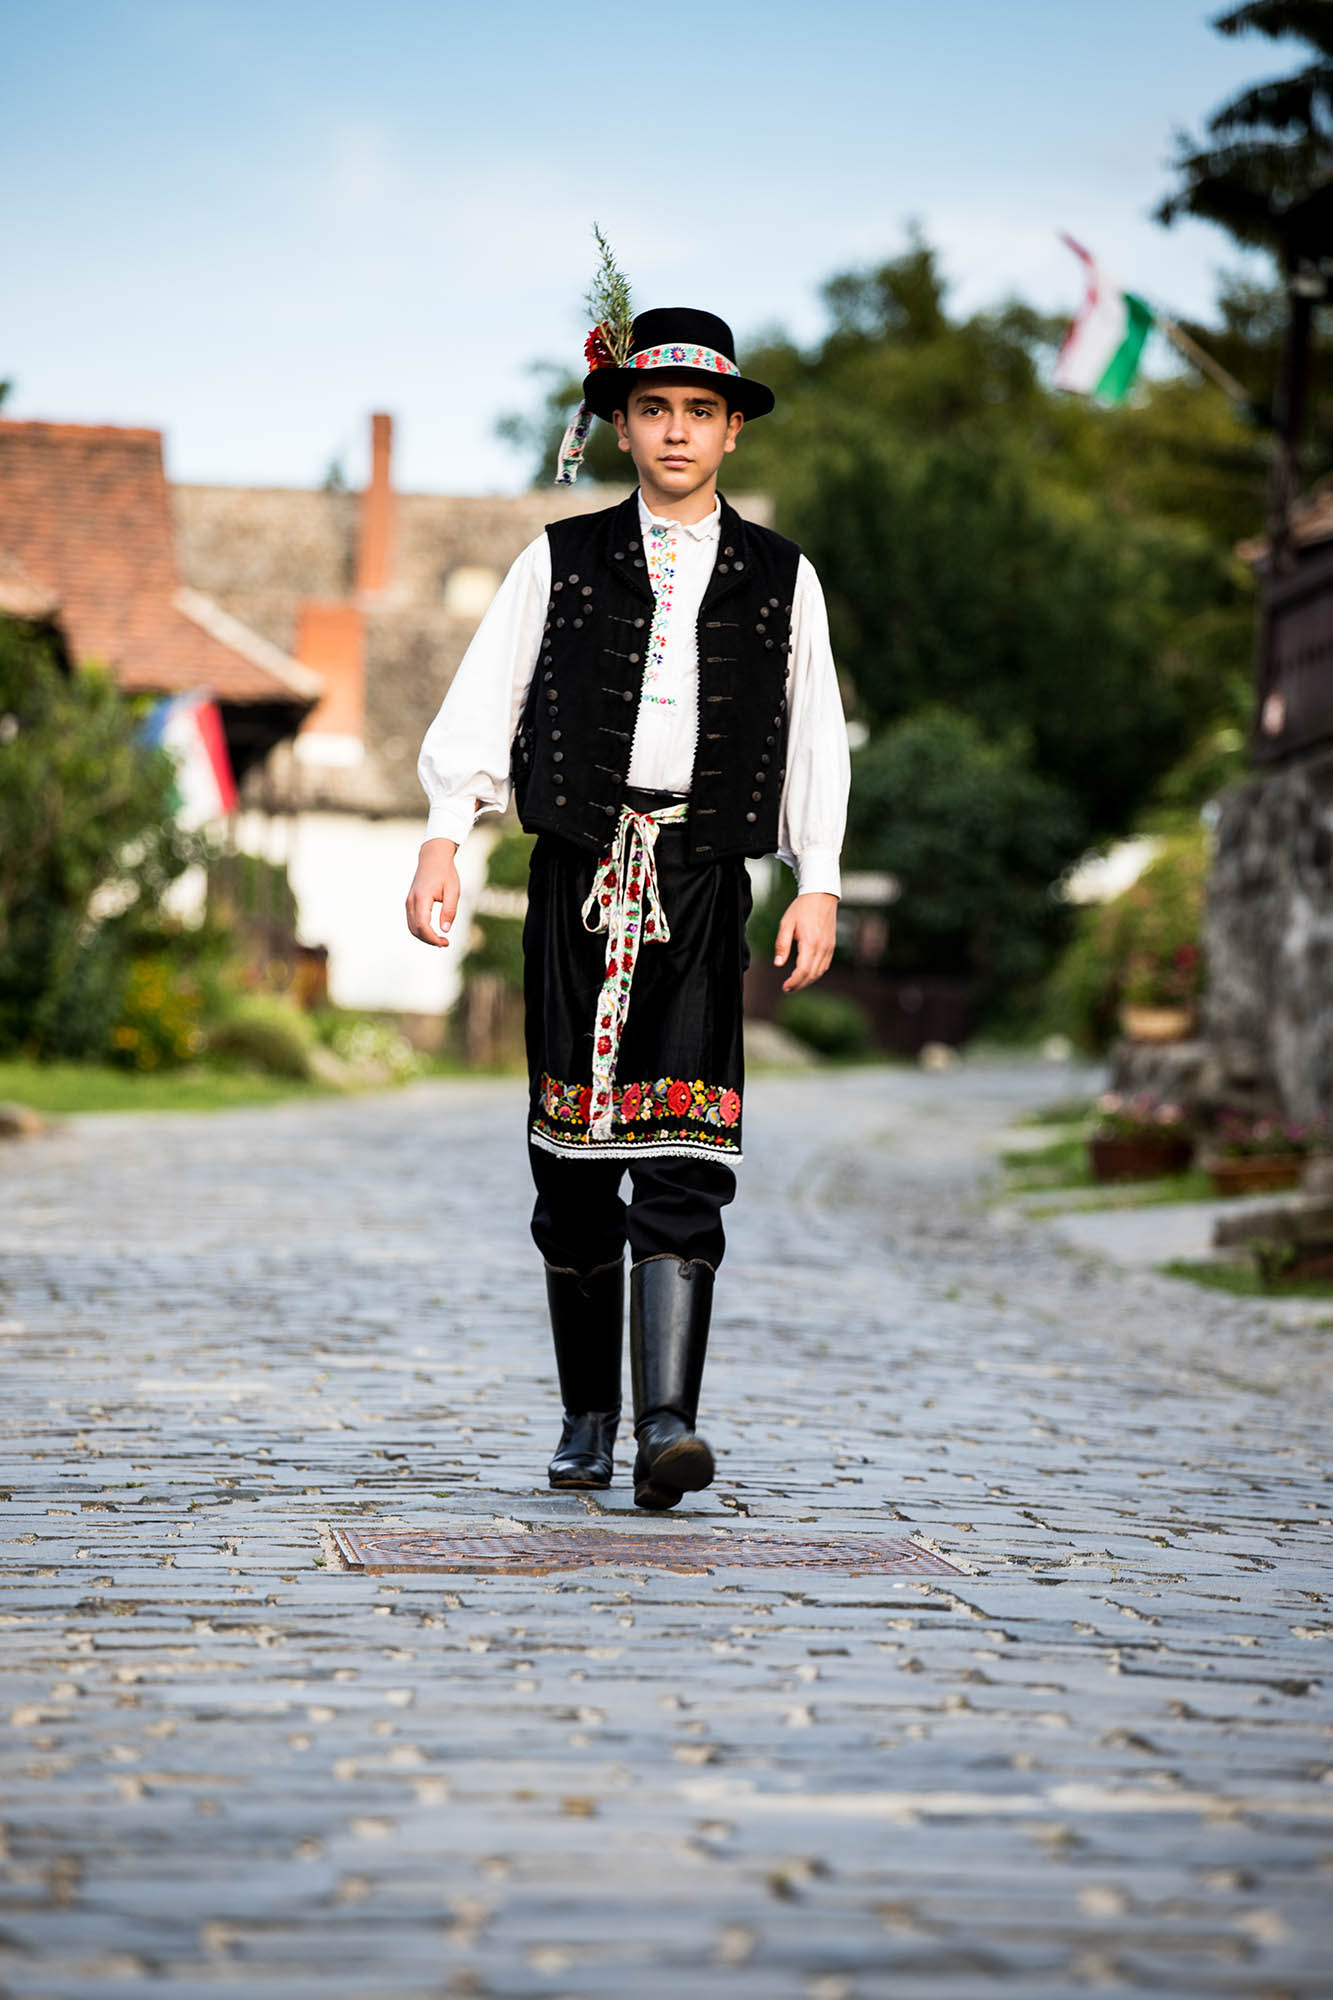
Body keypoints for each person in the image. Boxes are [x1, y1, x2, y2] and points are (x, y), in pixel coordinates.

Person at [407, 305, 849, 1509]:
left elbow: (815, 736)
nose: (675, 431)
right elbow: (481, 707)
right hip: (578, 877)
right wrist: (445, 838)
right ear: (620, 424)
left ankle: (668, 1423)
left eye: (699, 412)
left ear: (730, 434)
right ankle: (586, 1415)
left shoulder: (781, 576)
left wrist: (820, 879)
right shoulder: (555, 558)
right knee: (569, 1166)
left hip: (704, 878)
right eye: (652, 409)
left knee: (685, 1149)